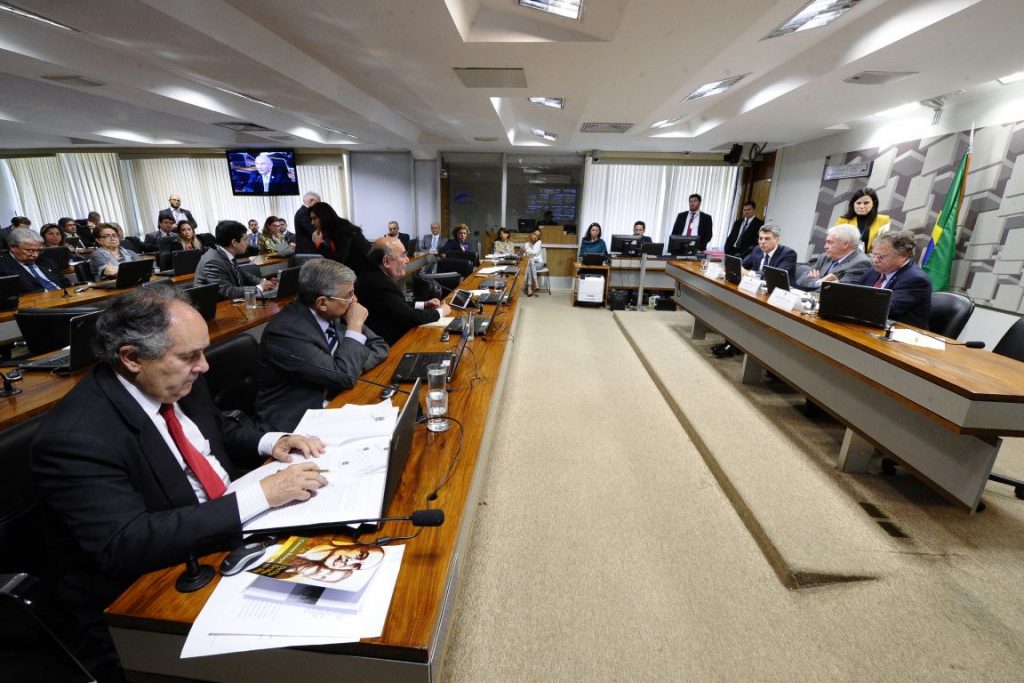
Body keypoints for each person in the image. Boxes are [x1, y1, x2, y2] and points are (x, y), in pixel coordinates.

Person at [31, 286, 327, 680]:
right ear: (132, 358)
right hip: (156, 585)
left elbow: (213, 431)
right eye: (190, 356)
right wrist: (262, 495)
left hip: (230, 525)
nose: (204, 366)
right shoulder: (76, 437)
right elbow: (126, 541)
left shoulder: (173, 380)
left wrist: (271, 441)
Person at [257, 259, 389, 431]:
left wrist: (353, 367)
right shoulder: (286, 332)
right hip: (299, 420)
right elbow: (344, 376)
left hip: (339, 397)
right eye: (348, 295)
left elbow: (379, 345)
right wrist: (355, 327)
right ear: (322, 303)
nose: (355, 300)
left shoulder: (336, 311)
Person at [355, 236, 451, 346]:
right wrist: (441, 311)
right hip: (391, 345)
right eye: (403, 255)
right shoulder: (378, 283)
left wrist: (424, 304)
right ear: (386, 261)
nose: (407, 260)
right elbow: (411, 318)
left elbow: (397, 305)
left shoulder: (374, 275)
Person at [856, 230, 932, 328]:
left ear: (903, 256)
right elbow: (855, 290)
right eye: (874, 255)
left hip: (901, 332)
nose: (875, 260)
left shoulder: (916, 280)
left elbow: (887, 308)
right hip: (869, 325)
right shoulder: (874, 271)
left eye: (882, 257)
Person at [195, 220, 278, 300]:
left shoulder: (225, 253)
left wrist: (264, 282)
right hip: (217, 305)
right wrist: (259, 288)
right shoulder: (213, 261)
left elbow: (244, 275)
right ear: (234, 242)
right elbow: (228, 291)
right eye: (245, 239)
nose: (248, 243)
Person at [794, 224, 871, 291]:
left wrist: (818, 281)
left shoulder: (861, 263)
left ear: (845, 244)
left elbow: (838, 291)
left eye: (829, 242)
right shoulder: (825, 257)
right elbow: (801, 281)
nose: (825, 246)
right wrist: (820, 281)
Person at [0, 227, 72, 293]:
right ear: (13, 247)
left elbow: (65, 283)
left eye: (38, 250)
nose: (36, 255)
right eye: (30, 251)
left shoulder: (46, 260)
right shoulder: (3, 268)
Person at [309, 201, 372, 275]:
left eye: (314, 218)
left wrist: (319, 244)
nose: (312, 223)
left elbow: (339, 261)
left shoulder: (342, 229)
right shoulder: (332, 229)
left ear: (324, 217)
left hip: (366, 272)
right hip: (357, 270)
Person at [836, 187, 890, 252]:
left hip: (871, 257)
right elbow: (837, 243)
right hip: (848, 256)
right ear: (853, 204)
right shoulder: (842, 220)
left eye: (866, 203)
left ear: (873, 203)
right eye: (858, 203)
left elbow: (884, 245)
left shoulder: (884, 220)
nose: (862, 206)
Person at [523, 229, 545, 297]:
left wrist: (527, 251)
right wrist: (530, 255)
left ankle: (529, 287)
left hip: (539, 263)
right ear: (531, 234)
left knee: (530, 262)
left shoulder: (539, 242)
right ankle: (535, 284)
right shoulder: (526, 244)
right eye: (535, 234)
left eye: (537, 236)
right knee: (530, 262)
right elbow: (524, 256)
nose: (536, 236)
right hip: (531, 263)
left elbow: (535, 253)